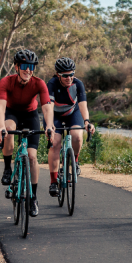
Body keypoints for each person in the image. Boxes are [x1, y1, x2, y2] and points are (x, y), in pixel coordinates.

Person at [0, 49, 55, 217]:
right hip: (11, 113)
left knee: (32, 157)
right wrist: (1, 126)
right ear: (16, 67)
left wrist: (49, 125)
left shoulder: (39, 83)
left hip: (30, 115)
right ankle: (8, 168)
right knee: (8, 130)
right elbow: (0, 107)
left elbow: (46, 107)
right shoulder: (6, 82)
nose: (28, 70)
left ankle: (33, 198)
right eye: (24, 66)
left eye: (31, 66)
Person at [45, 57, 95, 197]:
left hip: (73, 113)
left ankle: (75, 160)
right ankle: (54, 181)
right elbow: (49, 107)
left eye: (72, 74)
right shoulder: (52, 84)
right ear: (57, 75)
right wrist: (49, 126)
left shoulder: (78, 84)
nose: (69, 78)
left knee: (77, 136)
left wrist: (86, 121)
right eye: (65, 75)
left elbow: (83, 105)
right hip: (54, 115)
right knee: (55, 143)